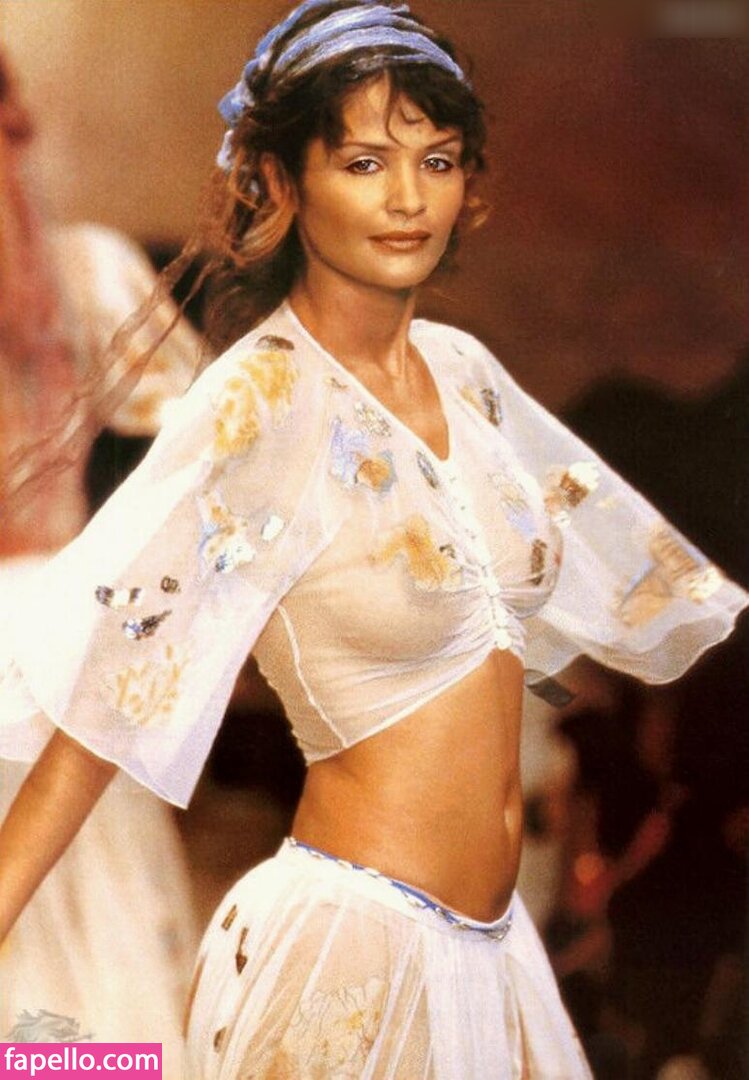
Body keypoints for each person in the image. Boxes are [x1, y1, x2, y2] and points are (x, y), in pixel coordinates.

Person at [0, 2, 745, 1076]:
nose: (406, 199)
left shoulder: (466, 376)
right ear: (281, 183)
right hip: (350, 959)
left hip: (500, 958)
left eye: (434, 160)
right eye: (363, 162)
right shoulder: (259, 404)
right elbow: (100, 711)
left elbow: (632, 603)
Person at [0, 51, 199, 1072]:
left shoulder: (85, 272)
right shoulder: (85, 272)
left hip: (63, 643)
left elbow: (214, 448)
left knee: (88, 956)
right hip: (50, 633)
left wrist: (143, 604)